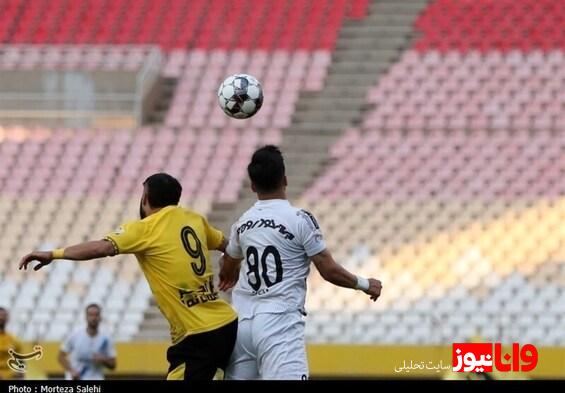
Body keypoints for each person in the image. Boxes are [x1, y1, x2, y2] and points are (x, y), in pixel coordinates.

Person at [19, 173, 238, 380]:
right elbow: (229, 246)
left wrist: (53, 254)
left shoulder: (145, 229)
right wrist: (231, 264)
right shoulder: (195, 219)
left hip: (198, 334)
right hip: (226, 323)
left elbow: (101, 248)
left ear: (145, 198)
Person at [218, 145, 383, 380]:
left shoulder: (243, 222)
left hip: (243, 325)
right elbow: (328, 270)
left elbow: (228, 267)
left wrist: (229, 271)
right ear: (285, 179)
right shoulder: (300, 220)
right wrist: (365, 284)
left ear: (253, 186)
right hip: (279, 324)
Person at [58, 304, 116, 380]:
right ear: (86, 317)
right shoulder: (75, 334)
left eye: (96, 315)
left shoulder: (106, 338)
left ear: (100, 317)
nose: (93, 318)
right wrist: (71, 371)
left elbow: (113, 365)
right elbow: (61, 356)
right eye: (91, 315)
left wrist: (103, 360)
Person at [0, 307, 23, 380]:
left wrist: (21, 374)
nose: (1, 318)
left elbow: (20, 360)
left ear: (8, 318)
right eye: (0, 315)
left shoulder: (14, 339)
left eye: (4, 315)